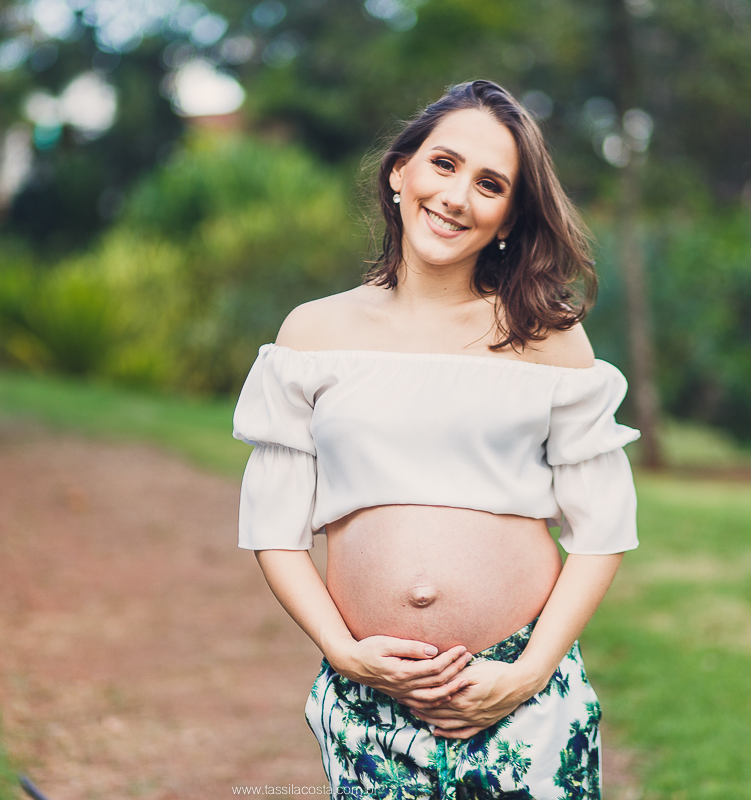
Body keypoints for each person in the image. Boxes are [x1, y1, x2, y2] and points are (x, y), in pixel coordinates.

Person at [232, 80, 640, 800]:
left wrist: (527, 672)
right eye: (444, 164)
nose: (457, 197)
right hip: (370, 703)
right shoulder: (313, 336)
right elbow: (275, 527)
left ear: (510, 215)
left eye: (490, 184)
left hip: (522, 696)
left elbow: (603, 530)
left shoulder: (550, 342)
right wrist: (344, 653)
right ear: (401, 171)